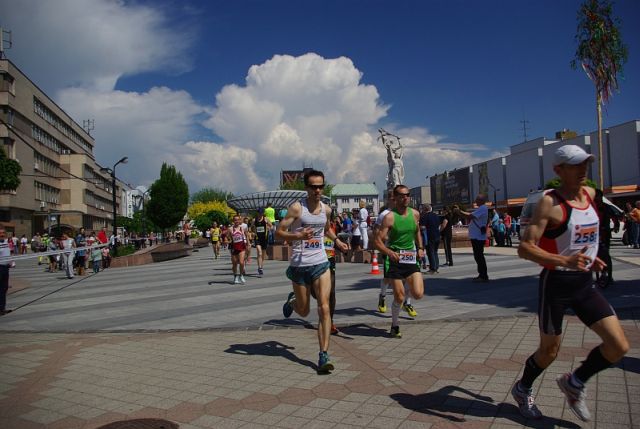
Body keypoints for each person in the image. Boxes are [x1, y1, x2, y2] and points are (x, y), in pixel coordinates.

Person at [511, 144, 629, 421]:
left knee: (618, 346)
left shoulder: (590, 194)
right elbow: (525, 248)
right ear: (558, 170)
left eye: (585, 163)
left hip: (585, 284)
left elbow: (586, 234)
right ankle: (522, 388)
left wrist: (592, 257)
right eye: (575, 165)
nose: (582, 169)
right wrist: (566, 260)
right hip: (556, 285)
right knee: (549, 352)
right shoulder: (550, 204)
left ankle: (574, 383)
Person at [278, 169, 348, 373]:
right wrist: (298, 237)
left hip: (320, 262)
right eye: (313, 187)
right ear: (306, 188)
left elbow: (326, 229)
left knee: (324, 308)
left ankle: (323, 355)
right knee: (304, 310)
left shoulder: (326, 210)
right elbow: (279, 232)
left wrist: (337, 241)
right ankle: (292, 302)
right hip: (300, 265)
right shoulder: (297, 209)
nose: (318, 190)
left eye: (320, 186)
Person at [374, 184, 425, 338]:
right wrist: (389, 252)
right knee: (399, 296)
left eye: (407, 195)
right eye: (402, 195)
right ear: (395, 198)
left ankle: (405, 304)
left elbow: (417, 232)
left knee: (418, 294)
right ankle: (394, 325)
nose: (405, 198)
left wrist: (420, 247)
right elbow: (377, 241)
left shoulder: (415, 214)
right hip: (395, 259)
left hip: (410, 258)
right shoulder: (389, 217)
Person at [455, 194, 489, 282]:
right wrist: (459, 212)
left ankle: (483, 275)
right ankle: (481, 274)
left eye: (477, 199)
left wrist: (459, 211)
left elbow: (470, 216)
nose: (475, 201)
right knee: (478, 256)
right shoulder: (481, 208)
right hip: (476, 236)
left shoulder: (483, 208)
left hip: (478, 237)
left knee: (479, 256)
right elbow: (468, 216)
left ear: (481, 200)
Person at [228, 215, 248, 284]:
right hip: (234, 248)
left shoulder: (242, 228)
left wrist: (248, 243)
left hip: (242, 247)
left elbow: (246, 235)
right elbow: (227, 237)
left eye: (238, 220)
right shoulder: (230, 229)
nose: (236, 221)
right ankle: (235, 276)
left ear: (239, 221)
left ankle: (241, 275)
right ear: (233, 221)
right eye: (235, 220)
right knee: (234, 264)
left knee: (242, 262)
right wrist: (228, 241)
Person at [0, 227, 15, 315]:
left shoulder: (6, 242)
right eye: (0, 233)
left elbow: (9, 253)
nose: (2, 234)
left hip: (6, 268)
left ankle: (2, 308)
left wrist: (11, 262)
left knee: (4, 288)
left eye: (3, 233)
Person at [253, 209, 272, 276]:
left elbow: (271, 226)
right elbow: (251, 227)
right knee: (259, 253)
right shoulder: (254, 220)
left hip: (264, 238)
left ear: (263, 213)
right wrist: (252, 232)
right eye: (259, 213)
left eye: (261, 213)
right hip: (257, 238)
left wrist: (269, 228)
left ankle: (261, 266)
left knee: (262, 255)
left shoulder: (266, 219)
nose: (260, 214)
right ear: (257, 213)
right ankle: (260, 268)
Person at [423, 204, 441, 274]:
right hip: (437, 235)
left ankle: (432, 268)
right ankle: (436, 267)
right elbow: (439, 225)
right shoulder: (436, 215)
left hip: (430, 236)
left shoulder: (425, 216)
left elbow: (422, 226)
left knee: (430, 252)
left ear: (425, 209)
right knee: (435, 252)